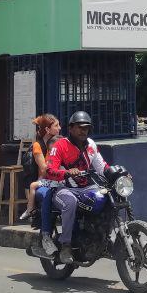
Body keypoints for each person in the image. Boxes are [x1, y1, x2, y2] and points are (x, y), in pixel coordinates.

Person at [44, 110, 111, 264]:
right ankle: (66, 245)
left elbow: (102, 167)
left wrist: (118, 174)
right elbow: (49, 171)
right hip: (62, 189)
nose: (83, 130)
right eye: (80, 127)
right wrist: (67, 173)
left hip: (86, 188)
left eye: (86, 128)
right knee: (70, 202)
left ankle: (103, 238)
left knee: (107, 196)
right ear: (71, 128)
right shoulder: (60, 145)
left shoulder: (91, 145)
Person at [21, 113, 61, 221]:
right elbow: (44, 170)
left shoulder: (60, 142)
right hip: (46, 179)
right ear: (48, 129)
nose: (60, 128)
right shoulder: (37, 146)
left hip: (60, 177)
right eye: (56, 126)